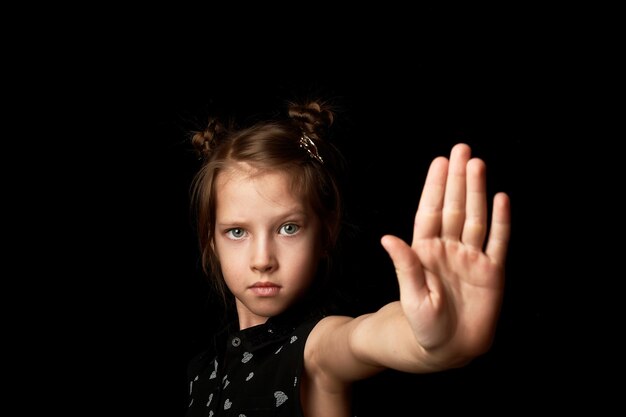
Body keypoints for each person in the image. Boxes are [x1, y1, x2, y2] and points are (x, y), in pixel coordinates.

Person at [184, 98, 511, 417]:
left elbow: (360, 339)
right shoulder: (202, 372)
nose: (262, 260)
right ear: (211, 242)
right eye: (237, 232)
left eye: (288, 228)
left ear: (325, 235)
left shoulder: (315, 350)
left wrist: (429, 342)